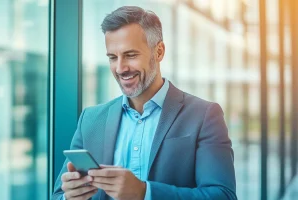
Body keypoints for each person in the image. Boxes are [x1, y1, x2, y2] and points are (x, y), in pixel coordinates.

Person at [52, 6, 236, 200]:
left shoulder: (204, 115)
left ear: (159, 52)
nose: (120, 68)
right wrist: (69, 197)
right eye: (113, 58)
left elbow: (222, 195)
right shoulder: (90, 119)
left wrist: (144, 193)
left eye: (130, 55)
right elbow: (57, 195)